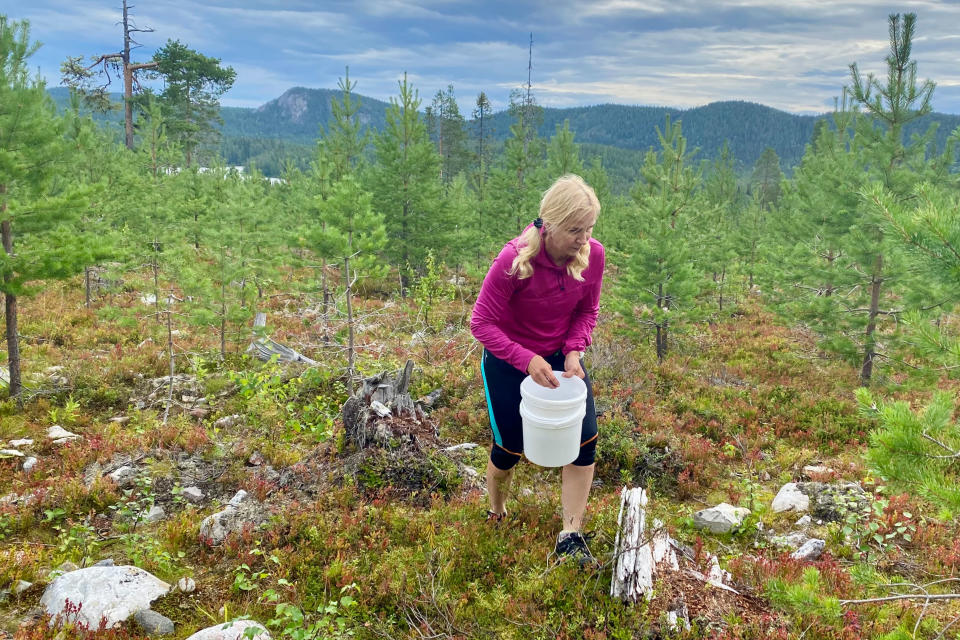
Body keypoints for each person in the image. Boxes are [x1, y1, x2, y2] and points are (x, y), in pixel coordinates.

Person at [470, 174, 605, 566]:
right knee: (509, 446)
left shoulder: (592, 255)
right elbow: (481, 324)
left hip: (562, 365)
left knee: (584, 441)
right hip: (509, 363)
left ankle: (571, 534)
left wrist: (574, 351)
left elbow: (586, 310)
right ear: (549, 225)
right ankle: (496, 510)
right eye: (575, 230)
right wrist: (526, 359)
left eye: (590, 228)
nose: (584, 239)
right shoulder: (513, 260)